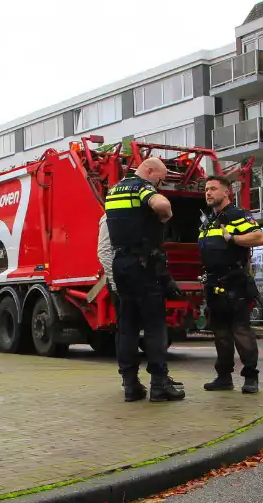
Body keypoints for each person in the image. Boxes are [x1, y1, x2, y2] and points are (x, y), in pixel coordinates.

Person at [104, 157, 185, 403]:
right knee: (154, 326)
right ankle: (159, 385)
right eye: (159, 179)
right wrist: (166, 214)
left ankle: (130, 384)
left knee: (126, 327)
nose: (159, 184)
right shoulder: (141, 187)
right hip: (144, 264)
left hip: (121, 265)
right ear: (149, 171)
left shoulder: (114, 191)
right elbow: (160, 203)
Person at [198, 175, 263, 394]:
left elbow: (258, 237)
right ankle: (224, 377)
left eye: (213, 189)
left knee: (241, 330)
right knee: (220, 334)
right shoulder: (208, 220)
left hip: (235, 283)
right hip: (214, 284)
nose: (208, 193)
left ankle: (250, 378)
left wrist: (234, 239)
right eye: (206, 189)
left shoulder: (238, 215)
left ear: (226, 192)